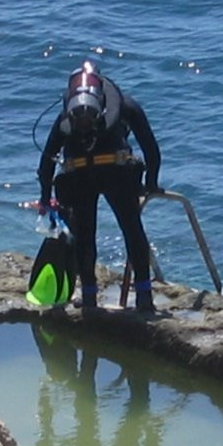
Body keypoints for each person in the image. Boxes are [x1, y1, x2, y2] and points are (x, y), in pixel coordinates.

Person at [36, 61, 162, 314]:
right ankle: (144, 296)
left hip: (81, 177)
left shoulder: (64, 118)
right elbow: (151, 149)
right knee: (132, 230)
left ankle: (90, 297)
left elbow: (46, 161)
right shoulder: (126, 106)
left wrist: (45, 198)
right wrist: (150, 182)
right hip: (118, 174)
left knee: (85, 235)